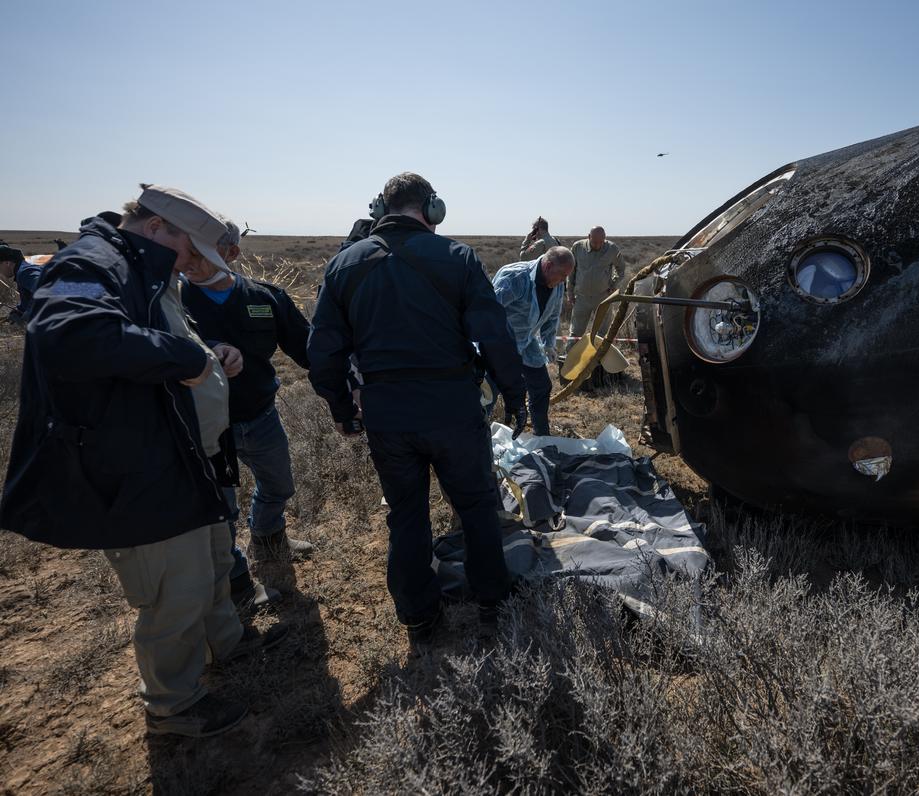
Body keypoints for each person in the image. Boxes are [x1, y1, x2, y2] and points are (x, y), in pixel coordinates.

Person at [0, 184, 289, 738]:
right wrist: (184, 357)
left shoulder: (146, 267)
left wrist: (210, 354)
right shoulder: (93, 261)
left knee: (209, 560)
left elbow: (159, 339)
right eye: (190, 253)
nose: (193, 266)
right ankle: (174, 705)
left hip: (183, 452)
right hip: (140, 466)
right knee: (173, 588)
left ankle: (225, 644)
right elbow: (74, 335)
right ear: (158, 227)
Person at [308, 172, 527, 652]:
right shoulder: (459, 258)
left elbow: (322, 354)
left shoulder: (344, 265)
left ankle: (419, 619)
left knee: (407, 517)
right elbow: (494, 337)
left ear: (379, 208)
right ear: (432, 208)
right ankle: (491, 603)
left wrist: (343, 410)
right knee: (475, 508)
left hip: (388, 417)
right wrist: (515, 394)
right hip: (453, 410)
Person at [181, 219, 315, 612]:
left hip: (260, 417)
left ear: (231, 253)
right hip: (205, 427)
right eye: (186, 249)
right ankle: (236, 581)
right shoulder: (173, 302)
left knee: (279, 486)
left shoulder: (266, 298)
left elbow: (308, 351)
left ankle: (269, 536)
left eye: (199, 252)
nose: (188, 261)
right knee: (220, 510)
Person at [492, 247, 575, 436]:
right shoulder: (514, 278)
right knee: (489, 392)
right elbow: (489, 311)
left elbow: (553, 315)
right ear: (547, 266)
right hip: (500, 344)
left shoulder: (557, 284)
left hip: (527, 341)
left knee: (541, 386)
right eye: (562, 275)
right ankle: (476, 438)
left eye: (566, 277)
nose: (563, 281)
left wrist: (548, 344)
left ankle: (541, 435)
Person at [567, 226, 624, 338]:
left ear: (605, 238)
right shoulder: (578, 247)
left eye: (601, 242)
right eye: (594, 242)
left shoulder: (612, 249)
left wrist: (613, 284)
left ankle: (600, 355)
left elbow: (621, 269)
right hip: (581, 298)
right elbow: (571, 272)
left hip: (603, 298)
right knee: (575, 333)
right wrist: (570, 293)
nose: (598, 245)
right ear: (589, 237)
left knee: (602, 335)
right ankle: (570, 354)